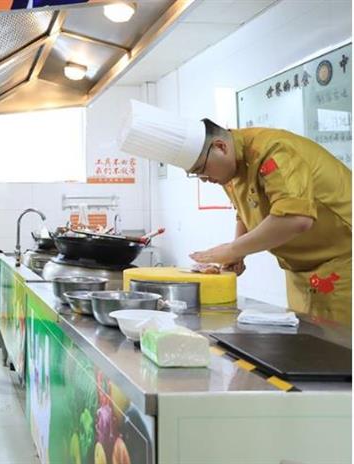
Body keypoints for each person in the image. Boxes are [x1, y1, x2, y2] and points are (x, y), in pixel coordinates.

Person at [118, 100, 352, 326]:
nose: (204, 179)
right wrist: (238, 254)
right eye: (196, 174)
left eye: (202, 169)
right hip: (299, 270)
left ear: (221, 147)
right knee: (312, 340)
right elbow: (245, 210)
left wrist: (231, 250)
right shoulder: (230, 168)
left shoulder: (274, 150)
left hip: (343, 260)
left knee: (339, 344)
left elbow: (295, 219)